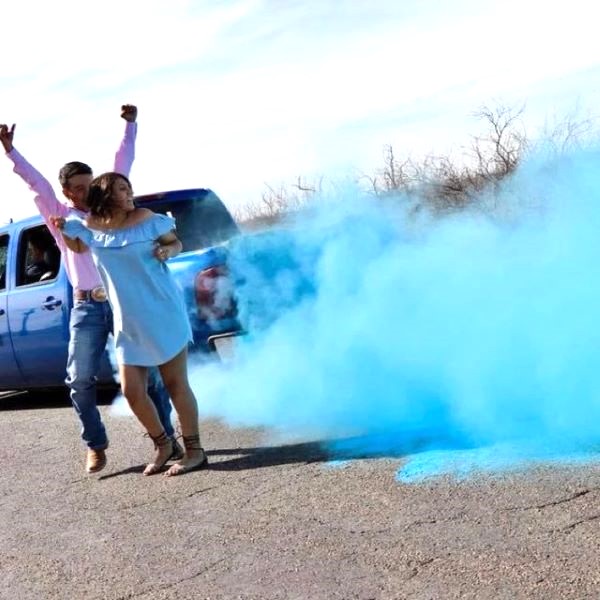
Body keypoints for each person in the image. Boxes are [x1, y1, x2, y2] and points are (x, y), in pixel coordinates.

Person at [0, 107, 181, 474]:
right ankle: (95, 444)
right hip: (86, 307)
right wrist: (10, 151)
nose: (85, 194)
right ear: (67, 192)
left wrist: (129, 126)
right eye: (78, 189)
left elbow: (122, 163)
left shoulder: (109, 210)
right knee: (79, 379)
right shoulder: (60, 216)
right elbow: (37, 183)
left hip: (123, 303)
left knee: (150, 374)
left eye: (89, 185)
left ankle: (168, 442)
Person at [54, 171, 207, 476]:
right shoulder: (90, 228)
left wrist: (167, 251)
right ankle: (164, 445)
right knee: (132, 390)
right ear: (105, 195)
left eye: (129, 188)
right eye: (122, 189)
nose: (129, 193)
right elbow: (77, 247)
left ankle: (195, 451)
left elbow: (175, 243)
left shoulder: (147, 218)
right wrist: (63, 229)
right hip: (128, 321)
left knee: (176, 385)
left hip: (163, 311)